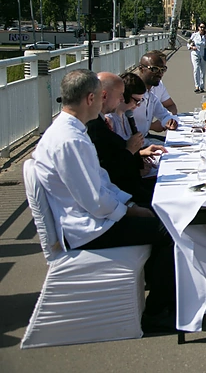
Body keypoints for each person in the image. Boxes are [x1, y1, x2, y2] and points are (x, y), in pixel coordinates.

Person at [31, 69, 176, 331]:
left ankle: (160, 291)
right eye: (101, 98)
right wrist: (131, 211)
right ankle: (157, 311)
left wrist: (131, 204)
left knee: (158, 213)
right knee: (169, 231)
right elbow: (95, 201)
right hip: (88, 228)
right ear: (90, 99)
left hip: (92, 218)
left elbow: (102, 182)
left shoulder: (71, 131)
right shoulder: (70, 140)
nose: (105, 103)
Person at [87, 72, 166, 206]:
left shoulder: (99, 123)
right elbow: (109, 169)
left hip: (126, 189)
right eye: (120, 95)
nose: (122, 100)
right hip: (124, 194)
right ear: (104, 95)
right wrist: (129, 207)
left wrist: (138, 153)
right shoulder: (96, 127)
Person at [132, 52, 179, 138]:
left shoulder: (151, 96)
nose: (159, 73)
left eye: (163, 69)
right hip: (132, 144)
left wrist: (169, 121)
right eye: (154, 69)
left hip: (144, 139)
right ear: (141, 69)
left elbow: (165, 114)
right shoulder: (130, 93)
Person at [188, 23, 206, 92]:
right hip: (195, 54)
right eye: (201, 27)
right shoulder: (194, 35)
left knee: (203, 71)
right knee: (196, 69)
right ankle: (197, 86)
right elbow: (188, 43)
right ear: (198, 28)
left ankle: (202, 86)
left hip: (204, 55)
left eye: (204, 27)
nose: (202, 29)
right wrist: (192, 47)